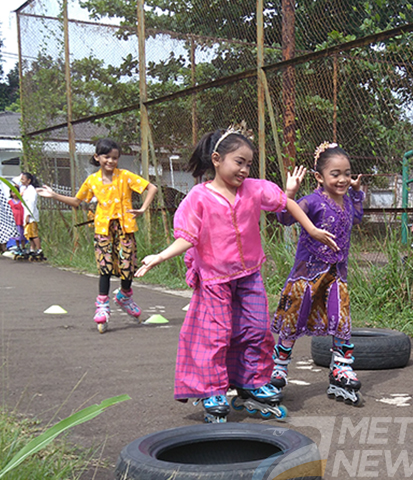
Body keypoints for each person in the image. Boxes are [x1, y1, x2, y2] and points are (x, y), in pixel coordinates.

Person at [134, 127, 336, 423]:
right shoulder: (198, 197)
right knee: (216, 335)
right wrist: (161, 256)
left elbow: (285, 201)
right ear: (217, 159)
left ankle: (251, 381)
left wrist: (311, 229)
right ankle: (212, 390)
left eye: (249, 164)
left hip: (249, 274)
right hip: (215, 279)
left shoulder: (255, 188)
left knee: (256, 328)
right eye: (238, 161)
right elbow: (188, 237)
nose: (244, 169)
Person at [270, 142, 365, 406]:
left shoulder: (347, 201)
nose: (343, 179)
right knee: (293, 318)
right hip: (307, 275)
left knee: (341, 318)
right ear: (319, 177)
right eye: (335, 174)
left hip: (336, 274)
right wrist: (288, 193)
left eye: (347, 173)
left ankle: (341, 368)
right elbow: (284, 219)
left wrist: (357, 193)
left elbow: (358, 217)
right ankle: (278, 368)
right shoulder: (312, 201)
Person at [37, 139, 157, 330]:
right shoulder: (92, 180)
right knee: (105, 266)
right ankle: (102, 304)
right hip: (103, 229)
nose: (111, 161)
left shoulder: (125, 176)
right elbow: (77, 201)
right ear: (97, 157)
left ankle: (124, 296)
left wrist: (142, 208)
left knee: (128, 265)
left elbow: (152, 188)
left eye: (115, 158)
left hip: (125, 228)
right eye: (106, 157)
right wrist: (54, 196)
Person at [18, 171, 44, 260]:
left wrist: (28, 214)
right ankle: (32, 248)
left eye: (23, 179)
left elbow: (31, 203)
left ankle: (39, 249)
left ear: (28, 180)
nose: (21, 181)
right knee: (29, 233)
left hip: (30, 214)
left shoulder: (32, 190)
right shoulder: (26, 189)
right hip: (26, 212)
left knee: (33, 233)